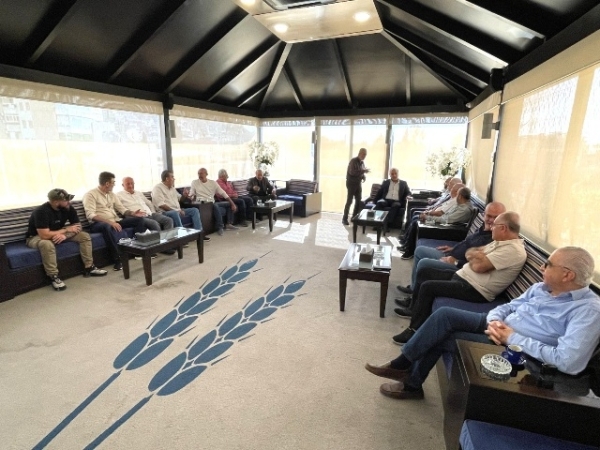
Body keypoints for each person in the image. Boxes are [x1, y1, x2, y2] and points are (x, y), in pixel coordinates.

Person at [365, 246, 600, 400]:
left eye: (547, 264)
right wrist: (495, 319)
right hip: (498, 326)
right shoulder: (541, 288)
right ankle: (403, 363)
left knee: (445, 337)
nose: (542, 267)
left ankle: (412, 384)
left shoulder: (588, 311)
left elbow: (569, 362)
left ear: (567, 275)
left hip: (516, 350)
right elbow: (509, 306)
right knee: (445, 314)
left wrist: (511, 337)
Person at [393, 211, 527, 344]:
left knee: (428, 287)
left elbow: (478, 266)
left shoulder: (513, 250)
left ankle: (413, 331)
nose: (491, 228)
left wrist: (476, 256)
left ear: (503, 228)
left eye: (495, 225)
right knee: (425, 272)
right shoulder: (500, 243)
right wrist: (476, 255)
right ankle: (414, 310)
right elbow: (471, 253)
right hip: (463, 277)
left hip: (475, 289)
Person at [395, 201, 506, 305]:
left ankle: (413, 301)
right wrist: (453, 248)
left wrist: (456, 262)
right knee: (420, 250)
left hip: (459, 266)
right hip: (451, 254)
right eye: (489, 216)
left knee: (424, 263)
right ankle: (414, 289)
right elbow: (467, 242)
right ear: (484, 214)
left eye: (495, 217)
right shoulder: (483, 227)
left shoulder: (495, 238)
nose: (491, 220)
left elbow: (479, 263)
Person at [26, 189, 107, 290]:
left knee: (84, 236)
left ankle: (89, 267)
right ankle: (53, 276)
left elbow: (78, 227)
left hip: (58, 232)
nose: (69, 202)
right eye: (66, 200)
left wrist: (65, 235)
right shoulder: (41, 212)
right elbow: (44, 235)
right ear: (55, 202)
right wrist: (65, 230)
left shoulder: (68, 208)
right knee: (46, 244)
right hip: (35, 237)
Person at [83, 172, 148, 271]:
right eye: (113, 182)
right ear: (107, 184)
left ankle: (138, 250)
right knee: (107, 227)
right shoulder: (90, 195)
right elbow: (90, 215)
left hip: (115, 221)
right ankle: (117, 259)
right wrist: (110, 223)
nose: (114, 184)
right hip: (97, 224)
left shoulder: (112, 194)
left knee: (139, 220)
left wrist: (133, 213)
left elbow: (121, 208)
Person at [398, 186, 474, 260]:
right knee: (418, 220)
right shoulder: (459, 205)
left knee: (418, 222)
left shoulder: (464, 210)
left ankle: (409, 251)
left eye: (457, 195)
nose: (456, 196)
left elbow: (446, 220)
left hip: (445, 227)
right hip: (442, 223)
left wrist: (428, 218)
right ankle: (408, 246)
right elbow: (445, 217)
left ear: (460, 196)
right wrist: (427, 217)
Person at [151, 170, 210, 242]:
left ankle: (199, 234)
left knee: (195, 210)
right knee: (174, 213)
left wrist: (184, 195)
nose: (174, 179)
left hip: (177, 210)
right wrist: (176, 211)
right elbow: (161, 205)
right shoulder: (158, 188)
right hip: (165, 212)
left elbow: (180, 199)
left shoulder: (172, 188)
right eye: (172, 177)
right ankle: (183, 239)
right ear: (167, 179)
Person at [190, 168, 238, 236]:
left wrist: (232, 203)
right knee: (215, 205)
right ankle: (220, 227)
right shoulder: (194, 182)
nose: (200, 175)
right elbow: (191, 193)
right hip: (203, 204)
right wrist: (190, 197)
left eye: (201, 173)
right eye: (199, 174)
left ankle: (228, 224)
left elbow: (223, 193)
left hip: (212, 202)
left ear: (206, 174)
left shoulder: (212, 183)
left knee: (229, 204)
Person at [342, 148, 369, 226]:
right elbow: (352, 172)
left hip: (358, 183)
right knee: (349, 201)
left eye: (365, 155)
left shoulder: (362, 163)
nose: (364, 156)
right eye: (363, 154)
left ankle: (354, 217)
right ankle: (344, 218)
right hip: (351, 183)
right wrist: (363, 171)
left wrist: (363, 176)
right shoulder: (353, 161)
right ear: (359, 153)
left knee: (358, 201)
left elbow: (360, 172)